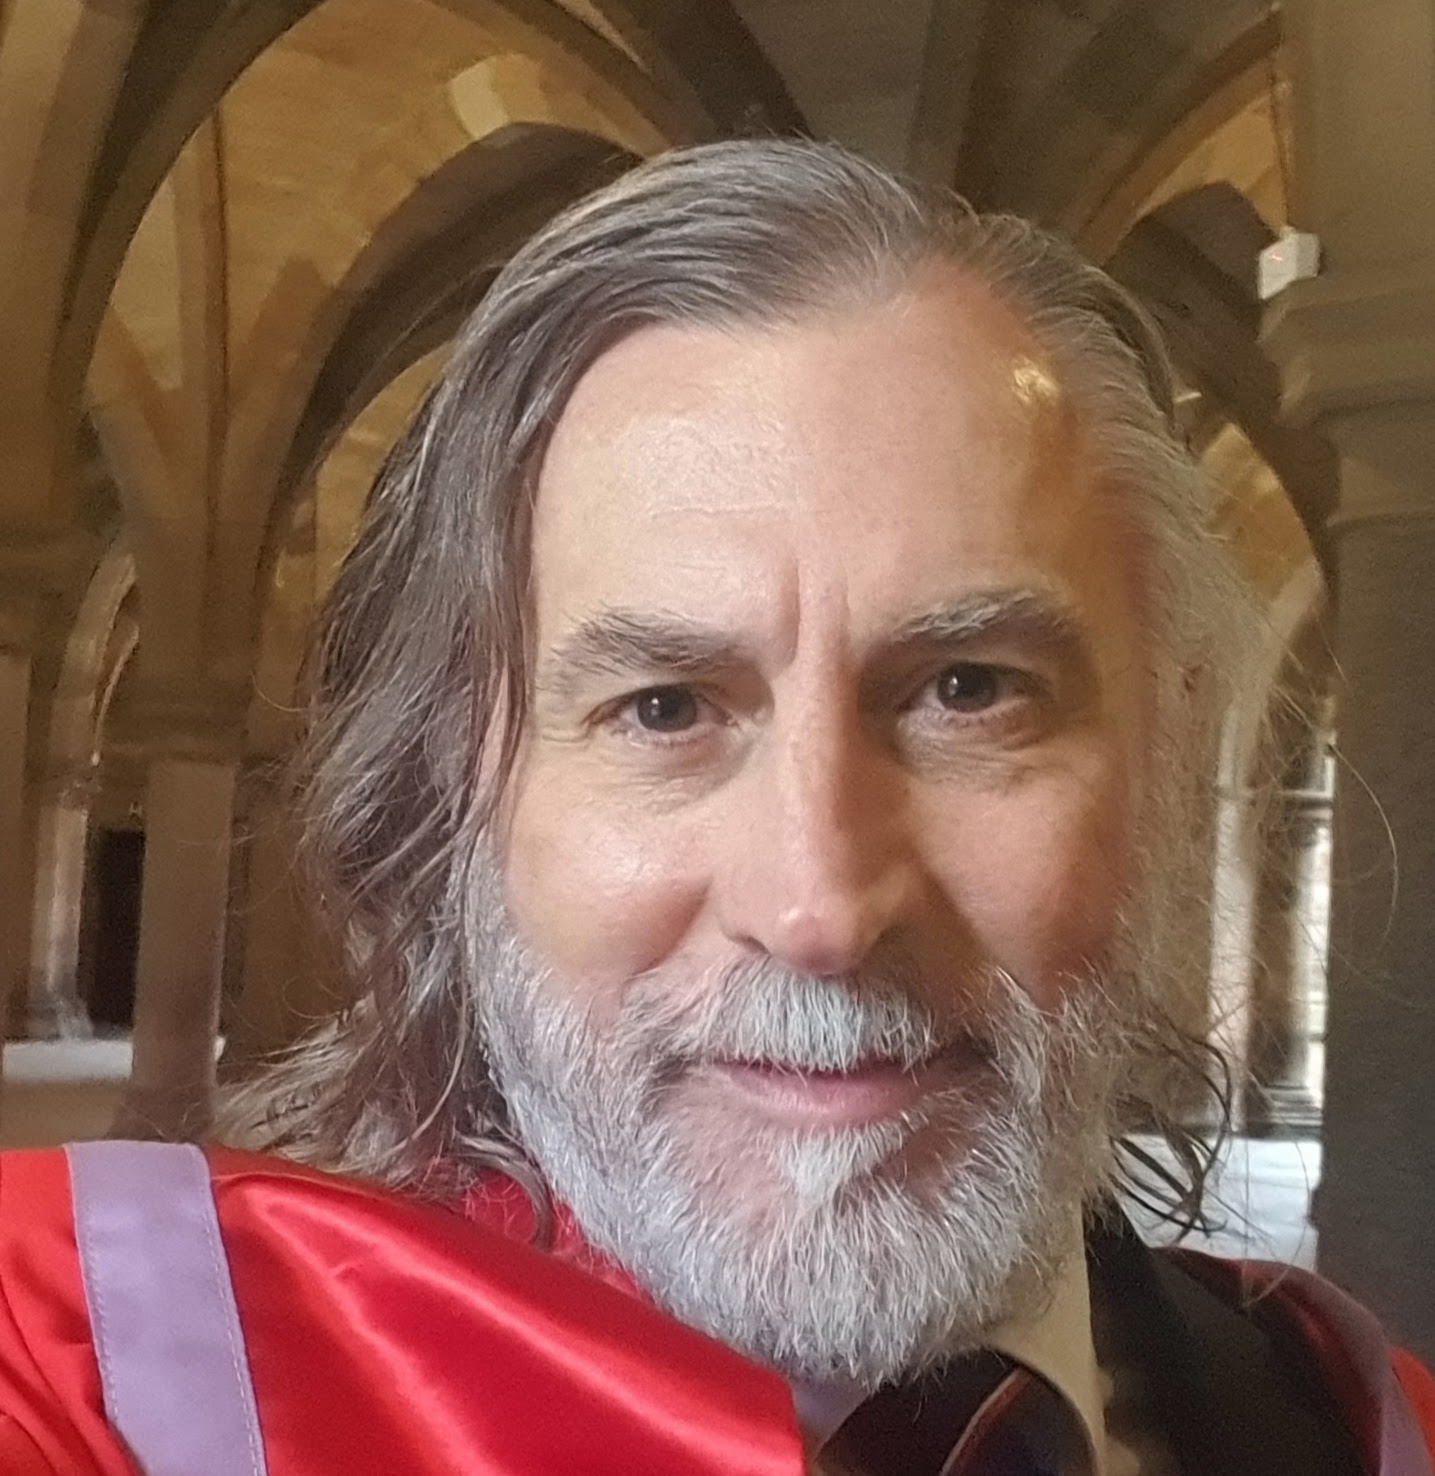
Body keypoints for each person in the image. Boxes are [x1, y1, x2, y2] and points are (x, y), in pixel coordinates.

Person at [1, 139, 1431, 1476]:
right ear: (459, 794)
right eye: (665, 709)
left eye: (969, 690)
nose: (817, 906)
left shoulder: (1356, 1422)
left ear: (1173, 746)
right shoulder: (103, 1372)